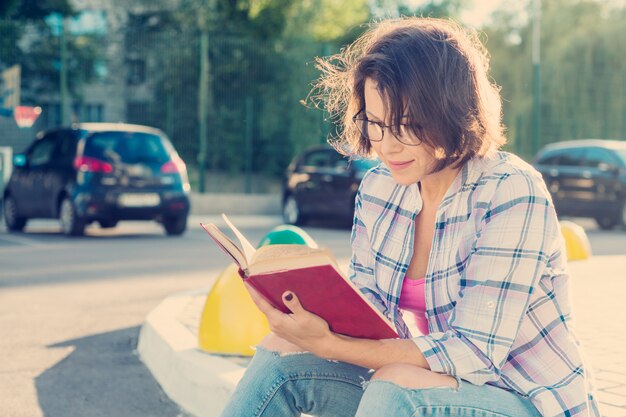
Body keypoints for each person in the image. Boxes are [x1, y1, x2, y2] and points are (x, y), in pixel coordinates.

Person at [220, 17, 600, 417]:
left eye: (406, 126)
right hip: (432, 384)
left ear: (450, 112)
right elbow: (371, 312)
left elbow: (474, 354)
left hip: (525, 397)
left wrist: (330, 345)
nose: (387, 146)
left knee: (395, 387)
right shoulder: (380, 188)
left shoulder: (510, 190)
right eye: (376, 124)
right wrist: (310, 318)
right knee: (284, 357)